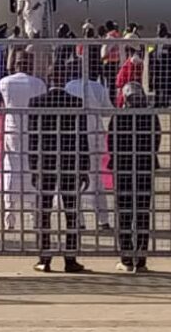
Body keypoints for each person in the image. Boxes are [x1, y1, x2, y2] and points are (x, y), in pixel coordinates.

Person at [28, 68, 88, 273]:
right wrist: (84, 166)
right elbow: (82, 137)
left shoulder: (36, 102)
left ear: (49, 78)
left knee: (44, 211)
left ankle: (44, 257)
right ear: (65, 80)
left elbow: (33, 138)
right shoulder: (76, 102)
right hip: (70, 162)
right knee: (71, 211)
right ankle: (70, 258)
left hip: (45, 163)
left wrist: (33, 166)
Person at [108, 82, 160, 272]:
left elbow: (111, 142)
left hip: (123, 168)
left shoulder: (119, 116)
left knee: (124, 213)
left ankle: (127, 258)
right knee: (142, 213)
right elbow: (156, 140)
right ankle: (141, 258)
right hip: (144, 167)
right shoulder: (150, 116)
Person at [0, 52, 47, 230]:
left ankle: (9, 219)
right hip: (33, 130)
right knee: (32, 170)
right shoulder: (38, 83)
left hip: (12, 130)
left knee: (11, 170)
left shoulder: (5, 82)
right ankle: (35, 217)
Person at [63, 59, 111, 230]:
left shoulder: (67, 87)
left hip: (74, 138)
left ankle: (79, 221)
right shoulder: (97, 87)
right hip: (95, 136)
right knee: (97, 179)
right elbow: (107, 111)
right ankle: (103, 220)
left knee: (75, 180)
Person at [148, 23, 171, 108]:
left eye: (160, 31)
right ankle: (157, 102)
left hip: (167, 67)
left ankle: (165, 102)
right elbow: (150, 53)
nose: (158, 33)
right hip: (157, 67)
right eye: (157, 31)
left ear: (165, 30)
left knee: (166, 86)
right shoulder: (153, 41)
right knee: (157, 86)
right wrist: (151, 66)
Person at [101, 20, 122, 104]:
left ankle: (111, 100)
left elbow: (105, 51)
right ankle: (113, 99)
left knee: (109, 84)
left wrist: (102, 58)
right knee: (113, 83)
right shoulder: (117, 36)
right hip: (116, 62)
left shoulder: (110, 37)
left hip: (109, 62)